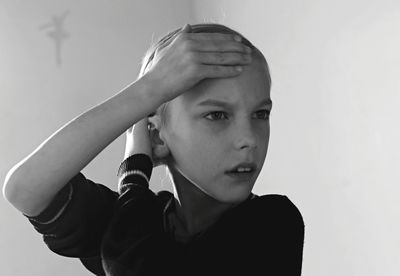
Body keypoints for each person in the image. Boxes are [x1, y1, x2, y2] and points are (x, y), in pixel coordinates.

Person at [3, 23, 305, 275]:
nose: (249, 138)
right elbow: (25, 188)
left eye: (260, 114)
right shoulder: (135, 218)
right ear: (157, 138)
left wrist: (133, 174)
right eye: (217, 115)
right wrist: (150, 90)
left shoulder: (274, 225)